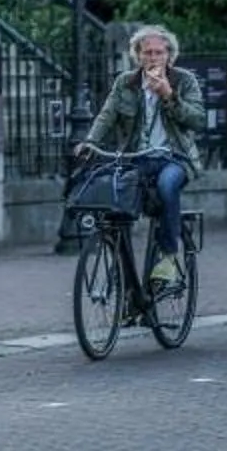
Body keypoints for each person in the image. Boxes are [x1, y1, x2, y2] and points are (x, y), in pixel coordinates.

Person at [78, 24, 204, 289]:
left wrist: (169, 96)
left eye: (159, 52)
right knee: (113, 204)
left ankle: (169, 256)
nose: (153, 57)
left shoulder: (184, 80)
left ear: (169, 55)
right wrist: (90, 142)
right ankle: (125, 278)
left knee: (167, 186)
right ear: (138, 55)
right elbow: (107, 115)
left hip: (174, 158)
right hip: (136, 159)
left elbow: (198, 120)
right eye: (147, 52)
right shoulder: (126, 82)